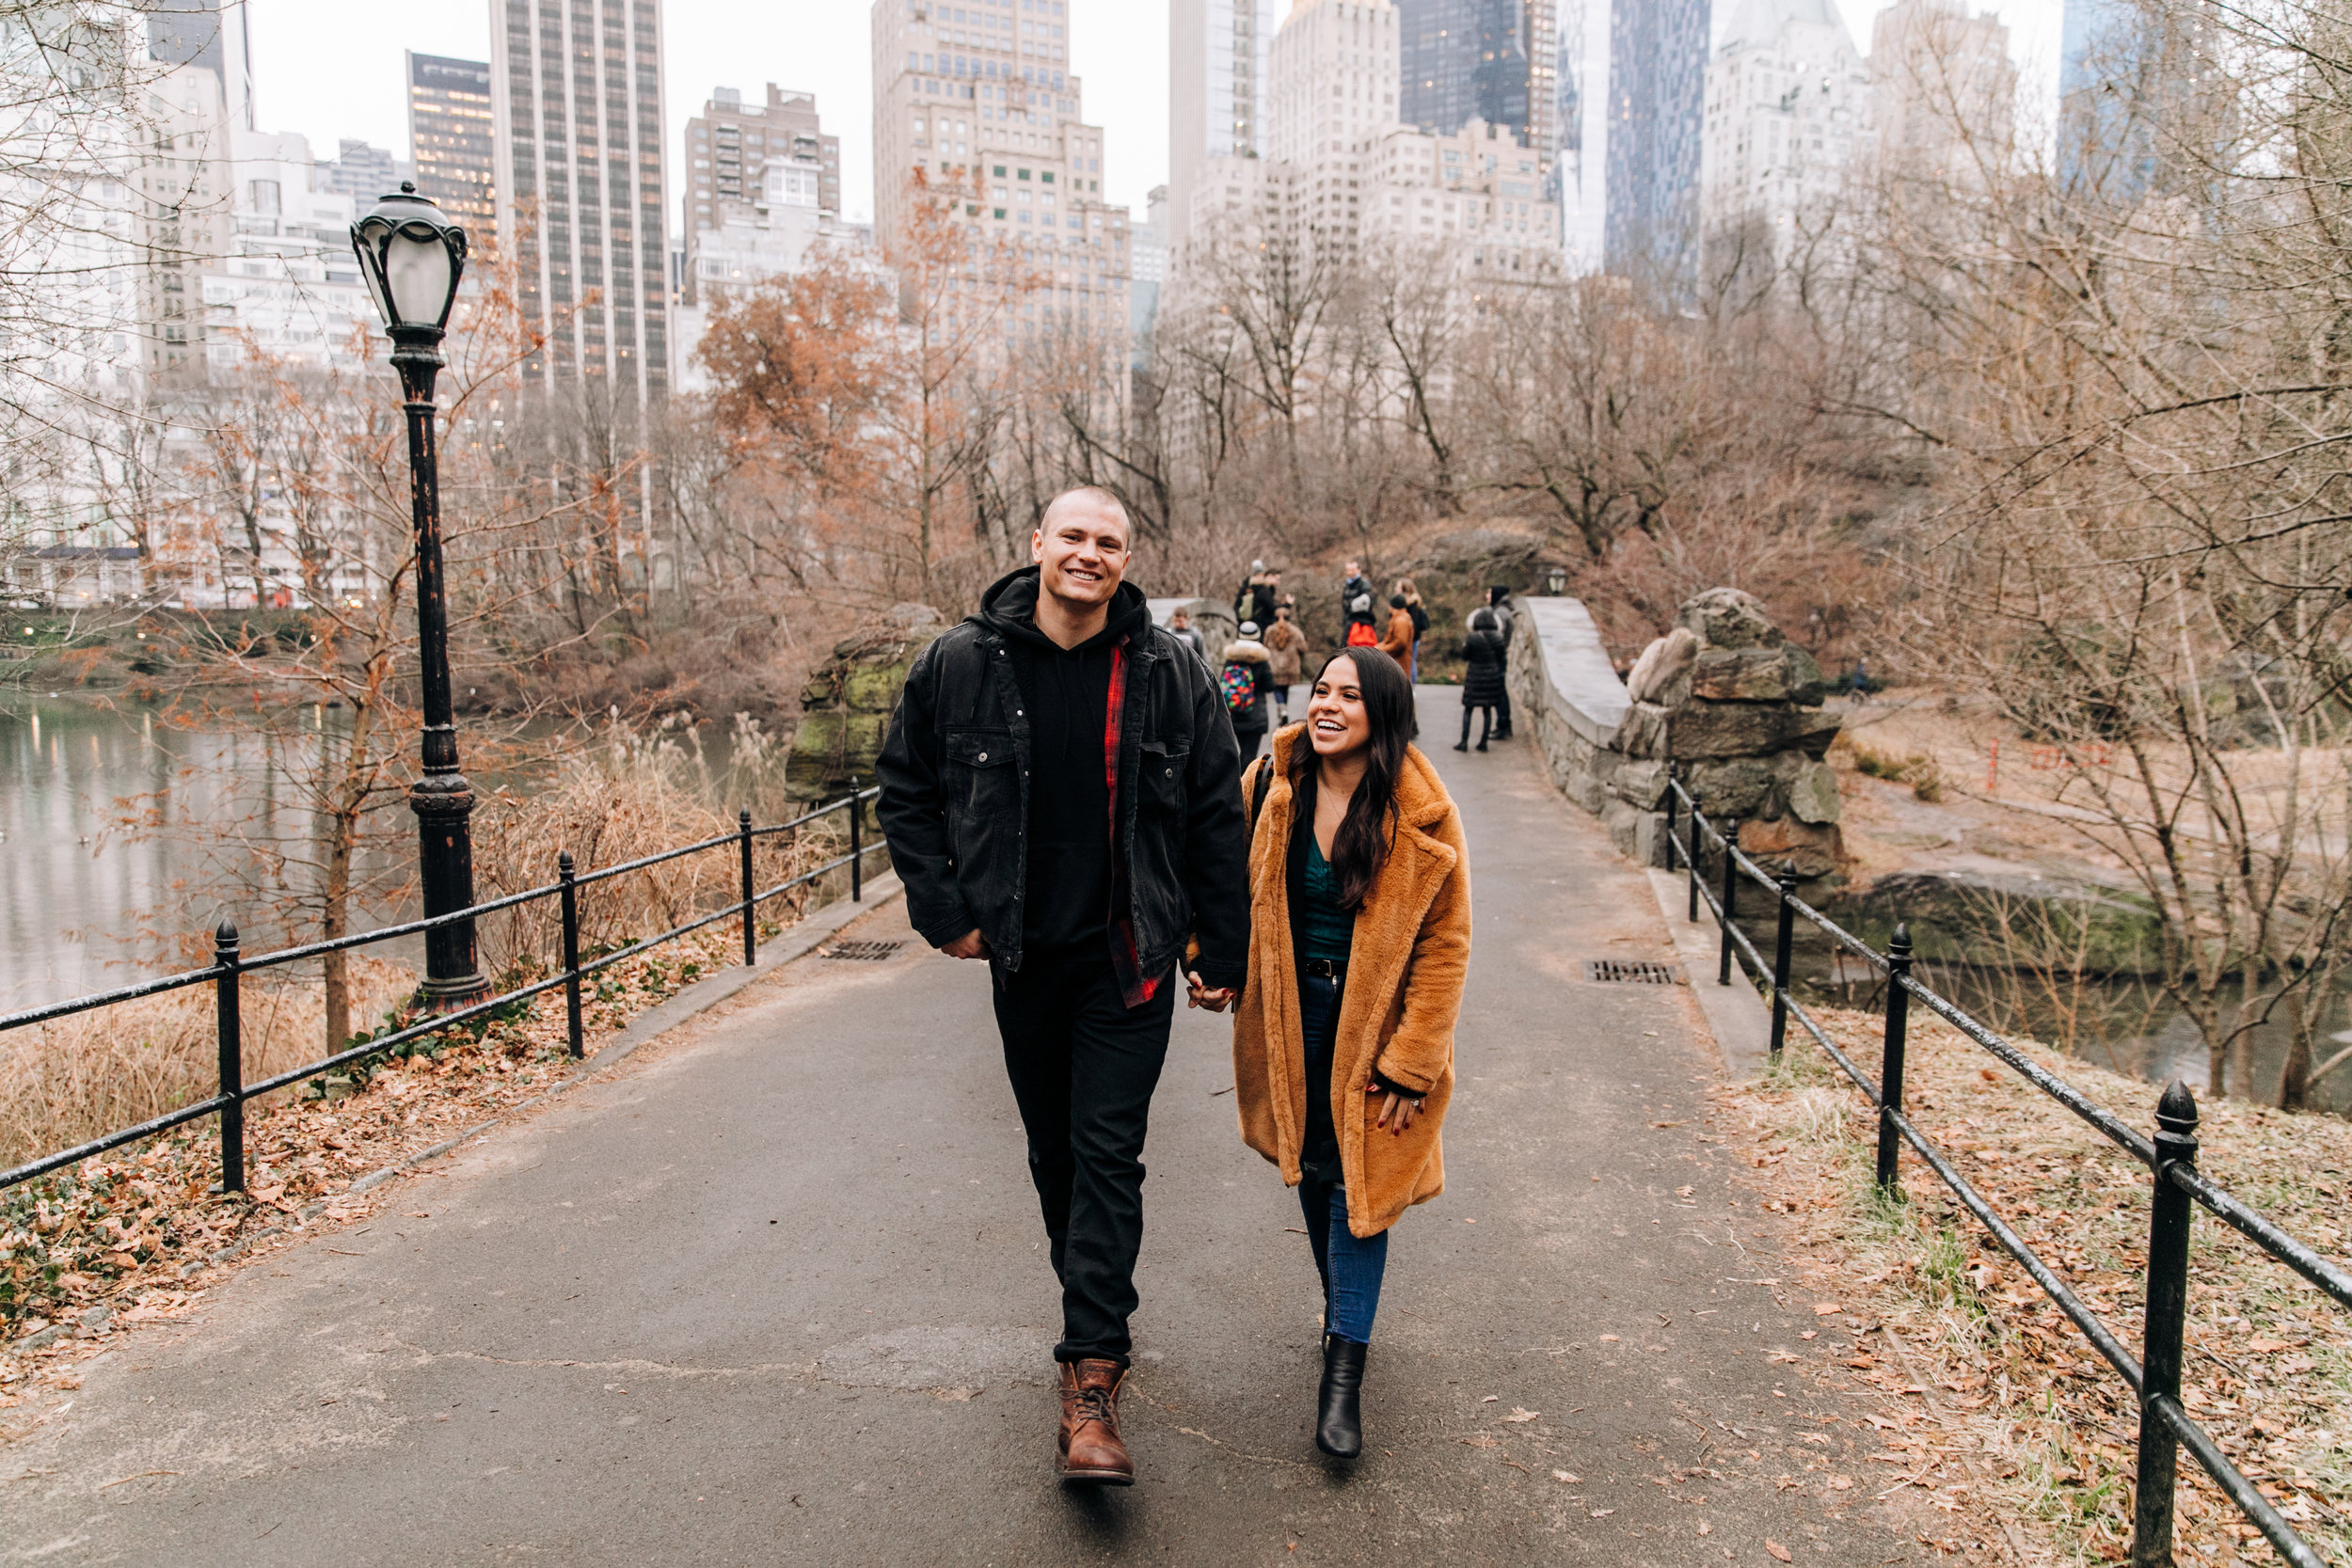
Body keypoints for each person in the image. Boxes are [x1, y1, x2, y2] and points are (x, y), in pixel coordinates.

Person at [876, 487, 1250, 1488]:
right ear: (1038, 544)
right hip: (1023, 958)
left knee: (1107, 1151)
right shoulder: (963, 662)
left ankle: (1091, 1376)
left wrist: (1224, 945)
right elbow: (904, 787)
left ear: (1128, 560)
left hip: (1130, 958)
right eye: (1073, 536)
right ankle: (1094, 1305)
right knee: (1057, 1155)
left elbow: (1216, 811)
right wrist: (945, 908)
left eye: (1109, 542)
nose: (1089, 554)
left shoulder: (1171, 669)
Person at [1205, 648, 1470, 1460]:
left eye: (1349, 696)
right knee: (1316, 1166)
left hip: (1377, 1027)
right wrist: (1208, 959)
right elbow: (1218, 882)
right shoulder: (1269, 787)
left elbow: (1445, 943)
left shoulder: (1419, 811)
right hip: (1288, 1013)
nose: (1326, 705)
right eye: (1320, 690)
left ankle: (1343, 1372)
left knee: (1364, 1184)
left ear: (1380, 713)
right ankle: (1342, 1314)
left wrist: (1411, 1059)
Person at [1222, 620, 1275, 760]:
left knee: (1242, 752)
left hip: (1236, 711)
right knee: (1250, 754)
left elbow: (1223, 681)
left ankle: (1238, 780)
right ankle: (1244, 781)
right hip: (1255, 713)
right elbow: (1270, 686)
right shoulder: (1261, 660)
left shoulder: (1231, 659)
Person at [1457, 607, 1507, 752]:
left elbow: (1465, 656)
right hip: (1492, 675)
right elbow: (1501, 658)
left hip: (1475, 675)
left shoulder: (1473, 637)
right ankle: (1483, 743)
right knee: (1487, 709)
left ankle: (1464, 742)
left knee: (1468, 708)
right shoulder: (1499, 637)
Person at [1262, 601, 1308, 726]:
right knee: (1285, 689)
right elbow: (1303, 648)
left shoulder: (1270, 631)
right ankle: (1284, 710)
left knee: (1277, 690)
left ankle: (1282, 710)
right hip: (1290, 667)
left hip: (1274, 667)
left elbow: (1264, 647)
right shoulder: (1295, 631)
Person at [1485, 587, 1517, 738]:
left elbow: (1497, 636)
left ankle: (1502, 725)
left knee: (1499, 693)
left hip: (1497, 657)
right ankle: (1503, 724)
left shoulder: (1500, 613)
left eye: (1489, 592)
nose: (1487, 596)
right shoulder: (1502, 610)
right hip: (1499, 656)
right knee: (1500, 691)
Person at [1394, 578, 1430, 683]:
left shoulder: (1411, 604)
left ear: (1404, 589)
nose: (1395, 589)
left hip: (1412, 638)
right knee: (1410, 662)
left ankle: (1411, 687)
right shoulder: (1413, 602)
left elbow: (1413, 624)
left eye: (1398, 586)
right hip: (1412, 637)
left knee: (1410, 662)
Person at [1235, 561, 1279, 633]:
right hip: (1260, 624)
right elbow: (1270, 607)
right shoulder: (1264, 590)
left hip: (1245, 622)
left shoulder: (1247, 586)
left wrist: (1240, 619)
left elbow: (1237, 604)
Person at [1375, 594, 1416, 671]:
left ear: (1393, 606)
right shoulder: (1399, 619)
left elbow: (1400, 643)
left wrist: (1381, 649)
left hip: (1399, 663)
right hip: (1397, 662)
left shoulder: (1401, 621)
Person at [1342, 561, 1377, 645]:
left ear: (1358, 570)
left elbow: (1366, 600)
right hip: (1348, 620)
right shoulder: (1347, 585)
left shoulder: (1363, 583)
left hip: (1361, 623)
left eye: (1352, 570)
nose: (1350, 572)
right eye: (1348, 570)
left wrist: (1353, 606)